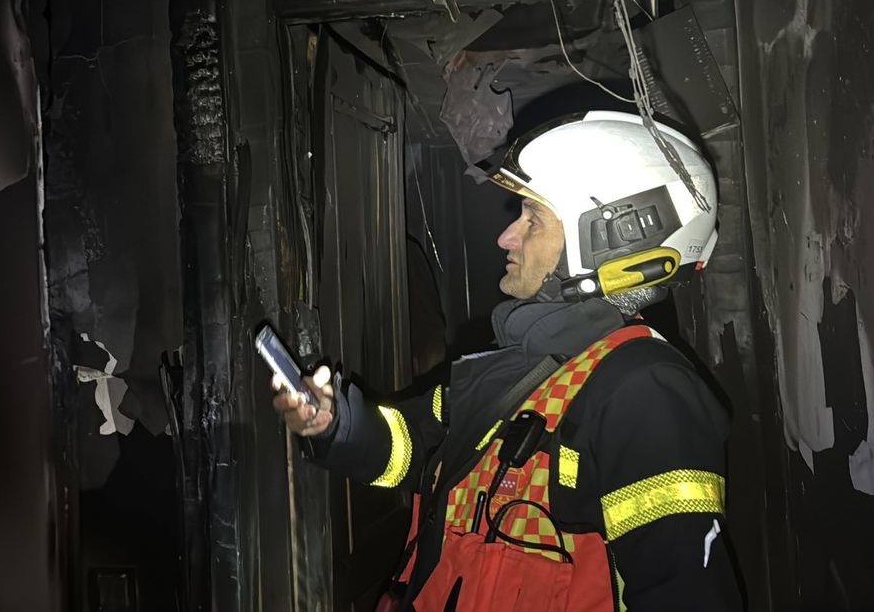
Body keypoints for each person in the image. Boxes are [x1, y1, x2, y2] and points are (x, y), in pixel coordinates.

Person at [272, 111, 742, 611]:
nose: (507, 237)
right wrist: (334, 422)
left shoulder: (645, 392)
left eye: (532, 219)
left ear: (609, 239)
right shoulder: (512, 366)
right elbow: (407, 448)